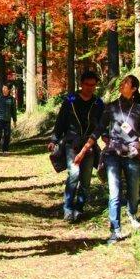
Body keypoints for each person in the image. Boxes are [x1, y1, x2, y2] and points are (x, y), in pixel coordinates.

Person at [78, 74, 140, 244]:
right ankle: (115, 230)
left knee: (134, 193)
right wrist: (85, 149)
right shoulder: (111, 107)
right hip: (112, 154)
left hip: (132, 154)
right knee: (114, 193)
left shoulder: (139, 109)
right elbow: (99, 129)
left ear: (133, 89)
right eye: (122, 82)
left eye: (126, 83)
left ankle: (132, 213)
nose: (122, 84)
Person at [47, 71, 104, 222]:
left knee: (85, 180)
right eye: (87, 84)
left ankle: (79, 208)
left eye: (93, 85)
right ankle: (67, 208)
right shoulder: (70, 100)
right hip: (71, 143)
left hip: (90, 145)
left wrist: (107, 137)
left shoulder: (98, 103)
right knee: (74, 174)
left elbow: (102, 124)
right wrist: (54, 139)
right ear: (81, 84)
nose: (90, 88)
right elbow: (61, 121)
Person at [0, 84, 17, 153]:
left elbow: (13, 110)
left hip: (7, 120)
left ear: (8, 90)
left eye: (5, 88)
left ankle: (5, 150)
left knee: (7, 135)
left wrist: (14, 120)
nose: (3, 90)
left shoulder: (12, 99)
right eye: (3, 88)